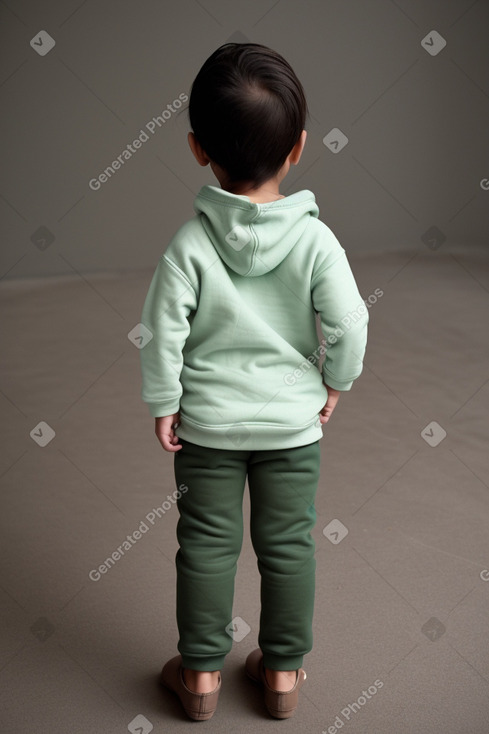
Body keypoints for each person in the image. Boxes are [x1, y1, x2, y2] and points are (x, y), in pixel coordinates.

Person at [139, 42, 369, 721]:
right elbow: (350, 325)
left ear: (195, 148)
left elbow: (161, 330)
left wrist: (163, 402)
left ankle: (201, 677)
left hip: (206, 427)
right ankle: (282, 673)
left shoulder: (188, 244)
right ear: (297, 148)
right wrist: (335, 381)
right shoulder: (316, 241)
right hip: (292, 428)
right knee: (288, 545)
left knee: (205, 545)